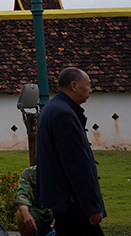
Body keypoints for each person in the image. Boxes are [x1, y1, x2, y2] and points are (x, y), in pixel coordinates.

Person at [35, 67, 106, 236]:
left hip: (63, 199)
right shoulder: (64, 114)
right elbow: (77, 164)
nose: (90, 89)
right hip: (72, 201)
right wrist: (92, 205)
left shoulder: (54, 108)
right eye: (88, 85)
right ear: (74, 85)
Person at [15, 165, 54, 236]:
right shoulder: (29, 173)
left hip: (55, 212)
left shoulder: (61, 173)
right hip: (37, 212)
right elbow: (21, 196)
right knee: (20, 213)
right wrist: (25, 214)